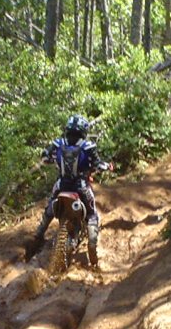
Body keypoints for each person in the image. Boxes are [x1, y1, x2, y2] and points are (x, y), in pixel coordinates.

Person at [26, 114, 111, 267]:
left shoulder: (58, 143)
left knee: (50, 209)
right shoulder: (88, 146)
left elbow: (45, 156)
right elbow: (98, 164)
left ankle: (38, 235)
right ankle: (92, 243)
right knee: (92, 214)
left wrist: (50, 159)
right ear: (84, 130)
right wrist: (105, 166)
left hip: (61, 185)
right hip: (81, 186)